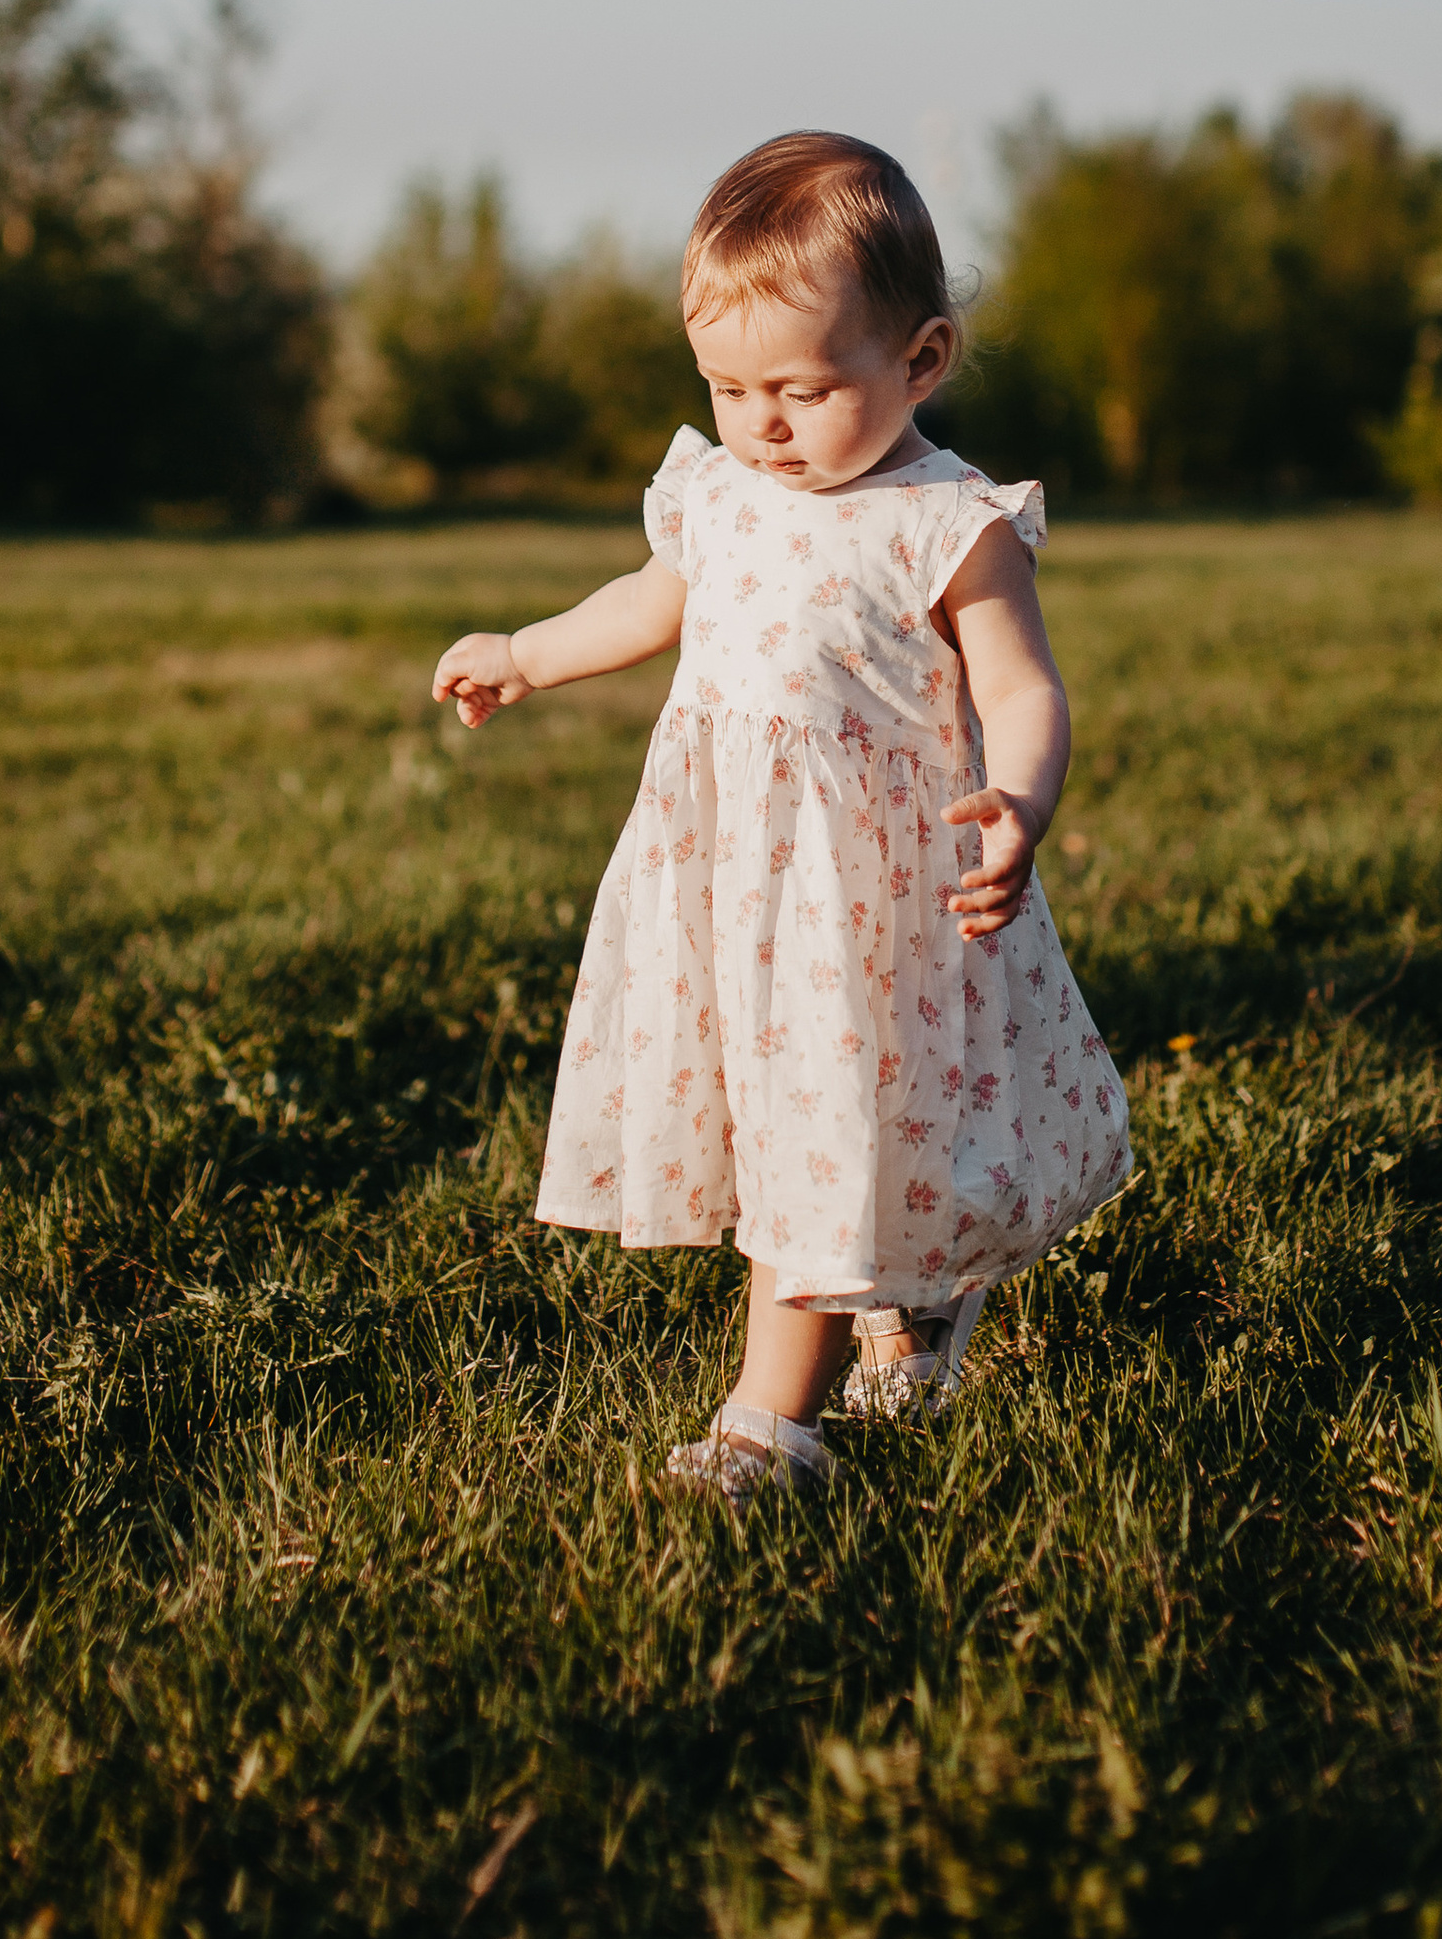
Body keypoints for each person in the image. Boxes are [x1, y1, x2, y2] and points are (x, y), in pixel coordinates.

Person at [431, 130, 1130, 1499]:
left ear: (920, 360)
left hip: (868, 894)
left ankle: (771, 1429)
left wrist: (1022, 800)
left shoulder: (948, 523)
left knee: (838, 1118)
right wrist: (524, 650)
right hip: (725, 880)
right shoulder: (720, 490)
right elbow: (648, 606)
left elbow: (1025, 688)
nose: (762, 421)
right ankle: (916, 1306)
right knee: (809, 1126)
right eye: (729, 385)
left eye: (806, 389)